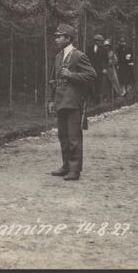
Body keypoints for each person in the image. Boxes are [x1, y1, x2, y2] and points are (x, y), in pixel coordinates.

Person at [48, 24, 96, 181]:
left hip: (73, 102)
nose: (56, 39)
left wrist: (72, 74)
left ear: (68, 38)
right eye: (56, 36)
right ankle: (66, 166)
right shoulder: (58, 57)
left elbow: (92, 74)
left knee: (74, 137)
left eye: (59, 36)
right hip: (60, 101)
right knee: (63, 136)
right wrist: (50, 99)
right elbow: (52, 80)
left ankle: (75, 170)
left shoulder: (78, 56)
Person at [86, 33, 109, 106]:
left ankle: (97, 101)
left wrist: (104, 68)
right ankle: (91, 99)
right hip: (90, 69)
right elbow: (86, 59)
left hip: (99, 70)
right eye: (99, 41)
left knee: (98, 85)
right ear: (96, 41)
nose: (101, 42)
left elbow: (106, 60)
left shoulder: (103, 50)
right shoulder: (89, 48)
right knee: (89, 85)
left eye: (101, 41)